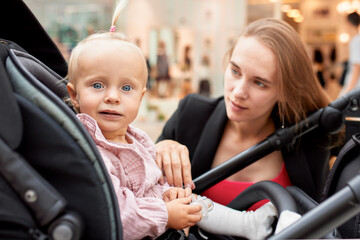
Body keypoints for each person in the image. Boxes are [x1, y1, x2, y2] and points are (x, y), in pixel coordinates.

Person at [65, 2, 280, 239]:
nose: (113, 97)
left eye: (126, 88)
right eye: (98, 85)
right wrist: (166, 213)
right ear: (74, 95)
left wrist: (170, 194)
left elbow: (155, 183)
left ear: (141, 97)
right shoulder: (92, 151)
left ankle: (247, 224)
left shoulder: (136, 138)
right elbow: (113, 214)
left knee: (193, 200)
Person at [156, 17, 342, 213]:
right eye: (235, 71)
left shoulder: (309, 135)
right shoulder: (191, 115)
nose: (238, 92)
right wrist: (159, 148)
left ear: (285, 90)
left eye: (259, 83)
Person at [339, 11, 360, 96]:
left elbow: (357, 67)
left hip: (356, 85)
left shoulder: (356, 41)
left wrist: (348, 92)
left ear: (348, 23)